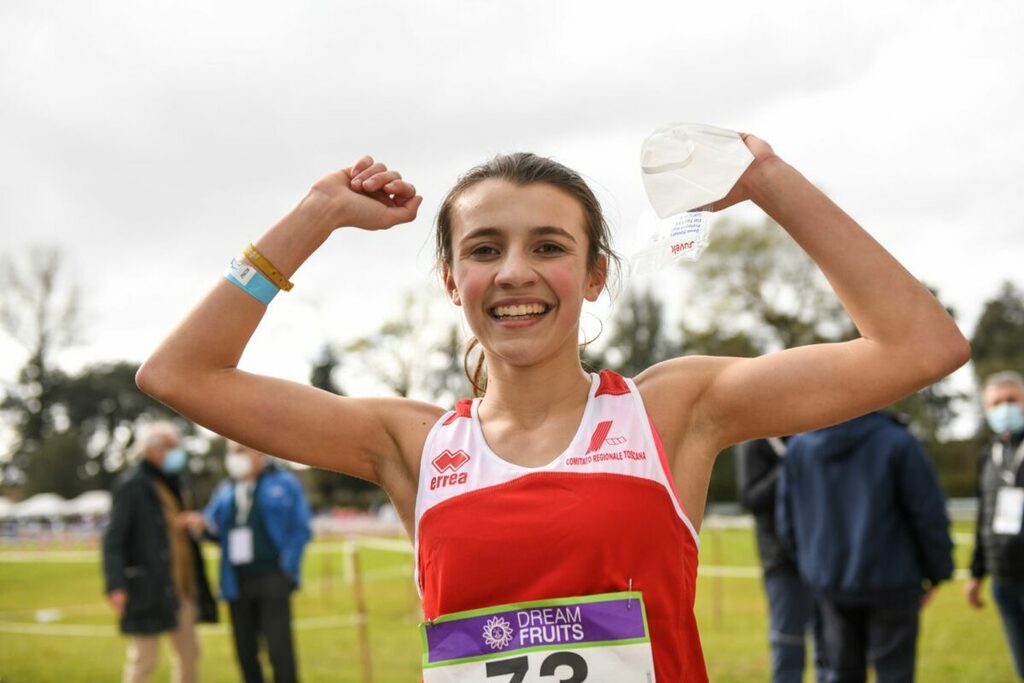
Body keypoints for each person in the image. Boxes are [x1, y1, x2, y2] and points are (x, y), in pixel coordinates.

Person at [135, 134, 969, 681]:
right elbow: (180, 373)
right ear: (452, 279)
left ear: (596, 273)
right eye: (485, 249)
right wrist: (315, 216)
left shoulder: (673, 411)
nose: (514, 273)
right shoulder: (410, 444)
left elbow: (920, 348)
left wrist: (768, 182)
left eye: (549, 247)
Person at [776, 411, 954, 683]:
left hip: (829, 583)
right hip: (892, 583)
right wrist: (937, 570)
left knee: (838, 674)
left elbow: (787, 522)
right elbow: (927, 514)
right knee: (894, 674)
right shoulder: (898, 441)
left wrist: (812, 568)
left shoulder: (799, 447)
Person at [182, 440, 312, 683]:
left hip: (273, 576)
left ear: (258, 452)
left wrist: (288, 568)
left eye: (240, 451)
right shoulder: (226, 490)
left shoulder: (284, 483)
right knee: (245, 650)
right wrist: (201, 525)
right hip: (236, 580)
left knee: (279, 648)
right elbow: (214, 526)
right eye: (231, 452)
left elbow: (300, 528)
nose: (234, 457)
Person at [102, 420, 218, 683]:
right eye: (171, 447)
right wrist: (115, 585)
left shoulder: (179, 484)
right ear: (152, 450)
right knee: (144, 659)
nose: (177, 452)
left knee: (189, 656)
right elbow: (114, 539)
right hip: (147, 586)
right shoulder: (132, 485)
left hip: (182, 586)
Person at [736, 437, 822, 683]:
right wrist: (788, 466)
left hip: (820, 557)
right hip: (781, 561)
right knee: (789, 645)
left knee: (830, 647)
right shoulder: (755, 442)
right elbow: (750, 498)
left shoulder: (809, 434)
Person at [968, 370, 1024, 680]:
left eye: (1012, 400)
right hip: (1003, 577)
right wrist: (977, 572)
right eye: (997, 403)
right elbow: (983, 517)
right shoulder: (988, 455)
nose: (1005, 409)